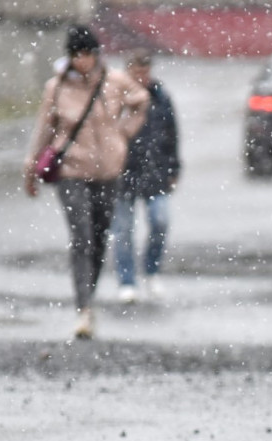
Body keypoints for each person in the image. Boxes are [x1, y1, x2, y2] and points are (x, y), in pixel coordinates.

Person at [23, 24, 149, 339]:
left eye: (88, 54)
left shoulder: (114, 82)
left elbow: (141, 100)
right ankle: (84, 308)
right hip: (71, 171)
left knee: (98, 235)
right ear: (69, 57)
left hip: (108, 171)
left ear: (96, 54)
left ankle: (88, 295)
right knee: (81, 237)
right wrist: (30, 167)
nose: (83, 61)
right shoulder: (57, 87)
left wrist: (124, 133)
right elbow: (44, 128)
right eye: (77, 55)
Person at [111, 48, 180, 303]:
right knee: (123, 230)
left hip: (155, 173)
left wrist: (173, 168)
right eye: (136, 71)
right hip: (121, 174)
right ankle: (127, 281)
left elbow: (172, 135)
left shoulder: (160, 98)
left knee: (160, 222)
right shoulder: (116, 98)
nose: (141, 77)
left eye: (145, 71)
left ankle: (151, 270)